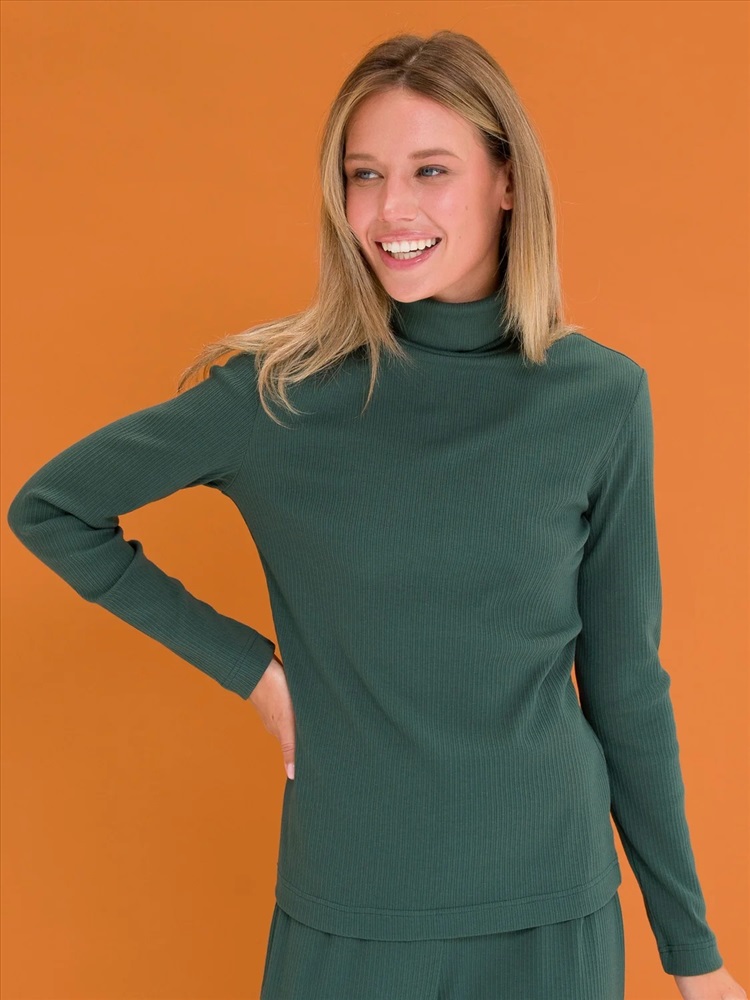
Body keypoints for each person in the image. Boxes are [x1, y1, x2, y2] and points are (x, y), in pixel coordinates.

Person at [6, 29, 743, 1000]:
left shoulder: (600, 398)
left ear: (506, 181)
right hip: (351, 908)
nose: (392, 208)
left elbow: (627, 686)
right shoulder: (279, 397)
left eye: (431, 170)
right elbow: (52, 507)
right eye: (364, 175)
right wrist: (258, 674)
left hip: (551, 912)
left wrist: (695, 956)